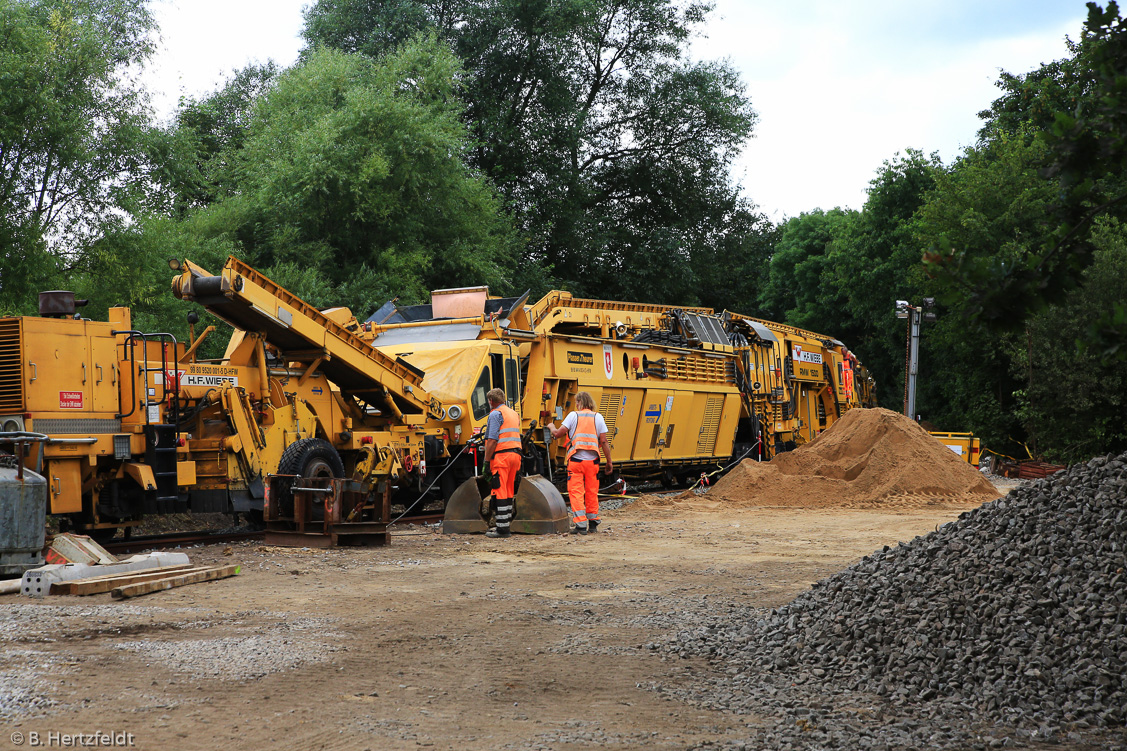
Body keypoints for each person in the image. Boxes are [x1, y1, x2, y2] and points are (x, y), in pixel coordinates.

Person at [548, 391, 613, 535]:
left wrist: (551, 426)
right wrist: (609, 462)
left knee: (576, 492)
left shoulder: (573, 415)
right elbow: (603, 441)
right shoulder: (598, 417)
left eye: (577, 402)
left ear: (579, 402)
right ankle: (593, 523)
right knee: (592, 492)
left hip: (576, 461)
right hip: (593, 462)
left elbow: (558, 434)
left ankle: (581, 526)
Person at [482, 388, 522, 538]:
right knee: (508, 490)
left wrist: (486, 461)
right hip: (515, 456)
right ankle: (505, 525)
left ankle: (502, 529)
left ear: (491, 401)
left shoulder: (495, 414)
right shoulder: (513, 413)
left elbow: (492, 440)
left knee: (499, 490)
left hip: (502, 457)